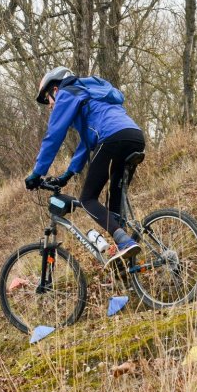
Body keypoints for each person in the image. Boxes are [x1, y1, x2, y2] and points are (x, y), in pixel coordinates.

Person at [25, 66, 144, 260]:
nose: (49, 105)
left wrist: (37, 173)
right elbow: (87, 142)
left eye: (47, 98)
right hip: (135, 136)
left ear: (55, 90)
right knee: (114, 204)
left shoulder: (66, 93)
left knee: (88, 199)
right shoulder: (92, 95)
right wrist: (68, 174)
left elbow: (53, 136)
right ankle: (124, 256)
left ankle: (125, 241)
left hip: (112, 138)